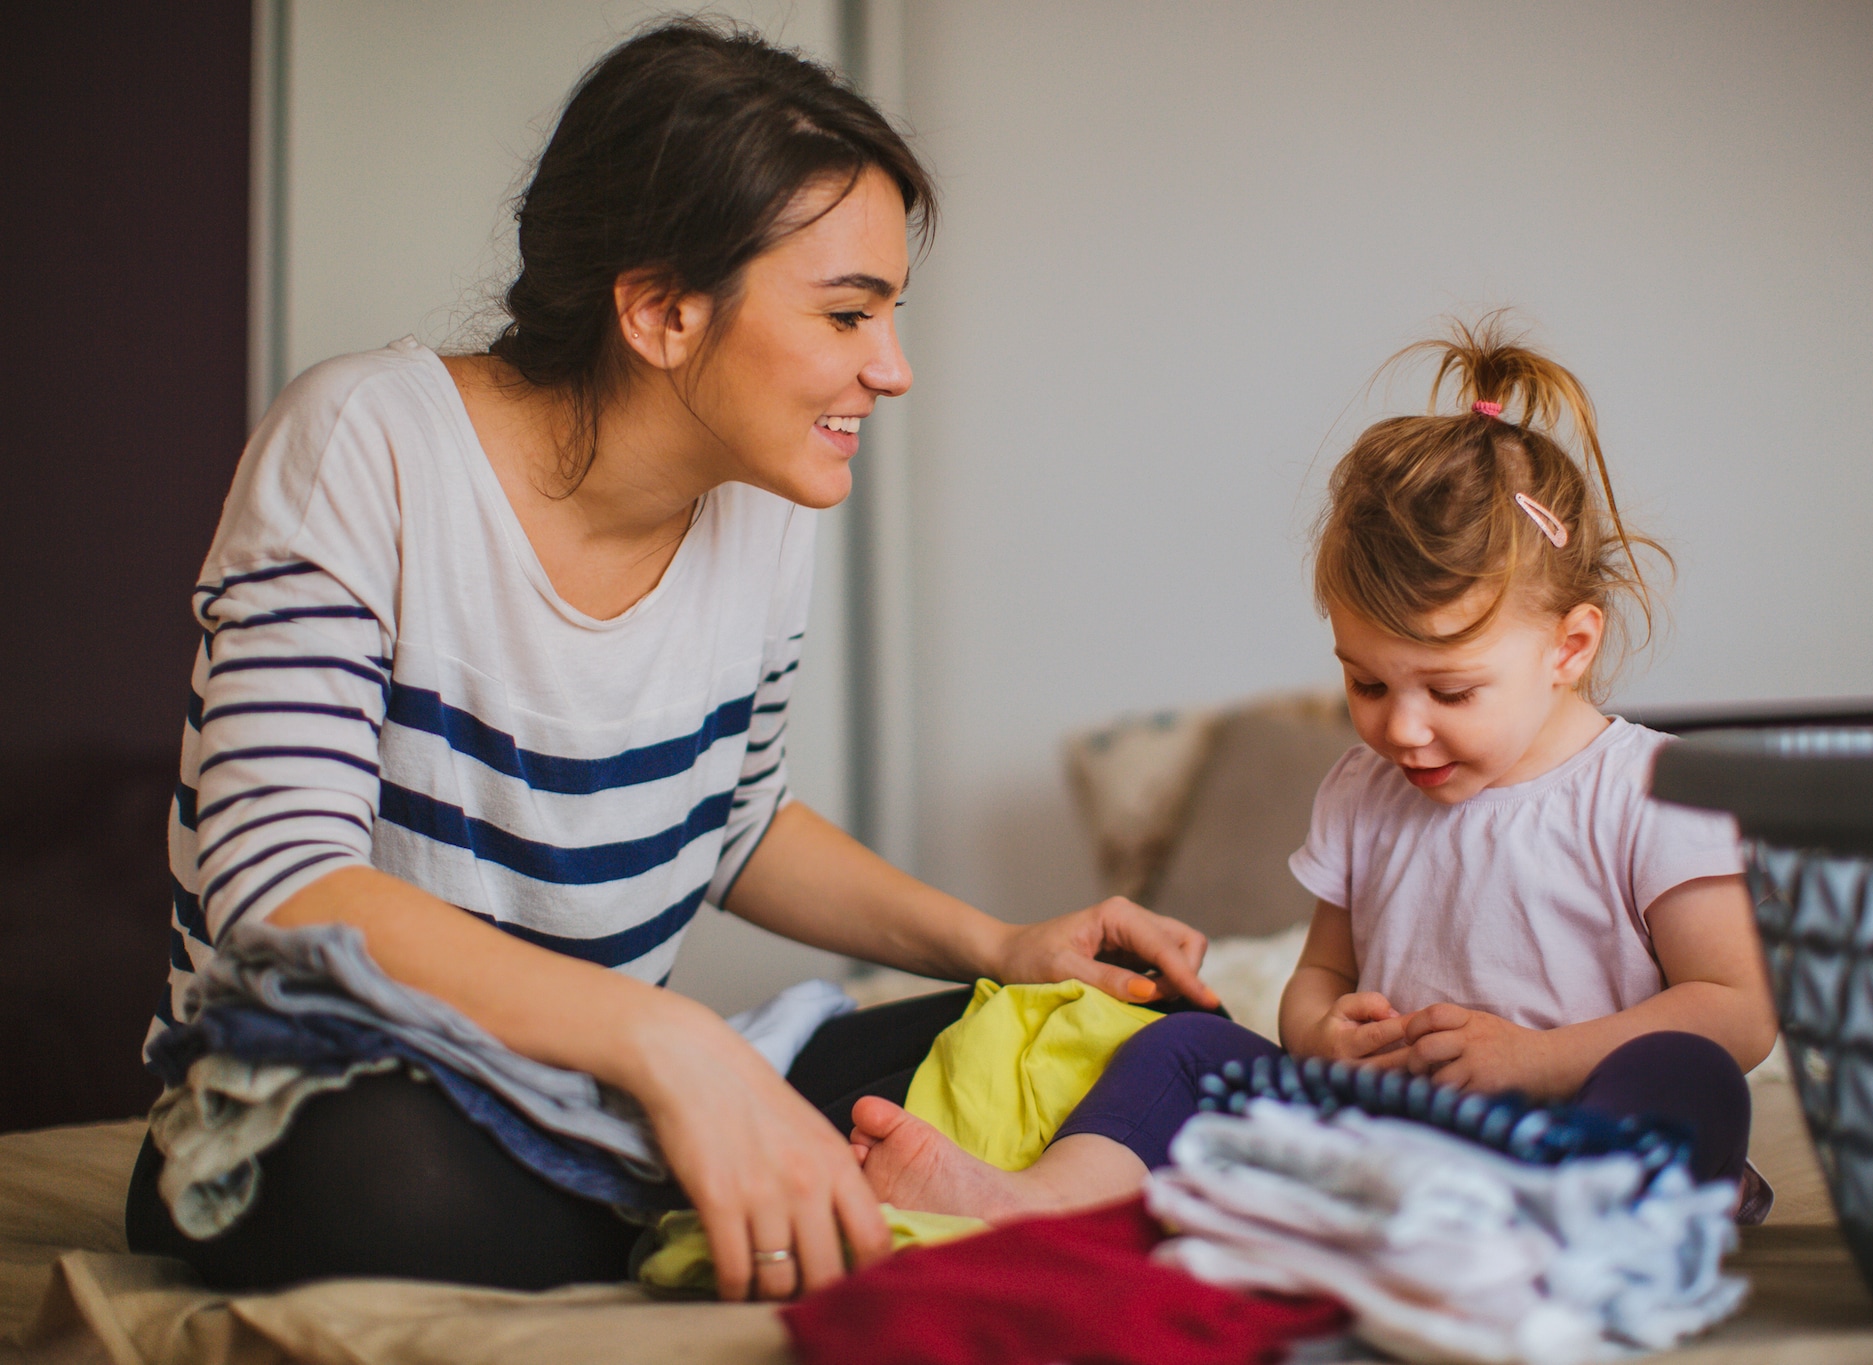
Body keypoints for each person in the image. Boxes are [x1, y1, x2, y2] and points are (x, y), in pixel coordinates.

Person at [126, 18, 1217, 1302]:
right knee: (374, 1181)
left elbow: (736, 822)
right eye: (848, 314)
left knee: (1165, 1046)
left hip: (624, 1093)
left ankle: (749, 1190)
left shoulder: (762, 506)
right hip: (344, 1091)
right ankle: (761, 1191)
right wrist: (672, 1046)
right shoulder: (366, 442)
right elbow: (281, 880)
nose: (893, 369)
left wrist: (1002, 944)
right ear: (660, 310)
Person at [848, 317, 1780, 1222]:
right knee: (1182, 1048)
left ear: (1570, 647)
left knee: (1688, 1075)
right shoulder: (1361, 791)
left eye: (1450, 692)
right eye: (1366, 681)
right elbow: (1318, 975)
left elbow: (1738, 1008)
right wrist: (1322, 1033)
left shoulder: (1656, 790)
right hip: (1385, 1134)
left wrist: (1540, 1060)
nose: (1402, 729)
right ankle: (1037, 1200)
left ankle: (1558, 1218)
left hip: (1571, 1128)